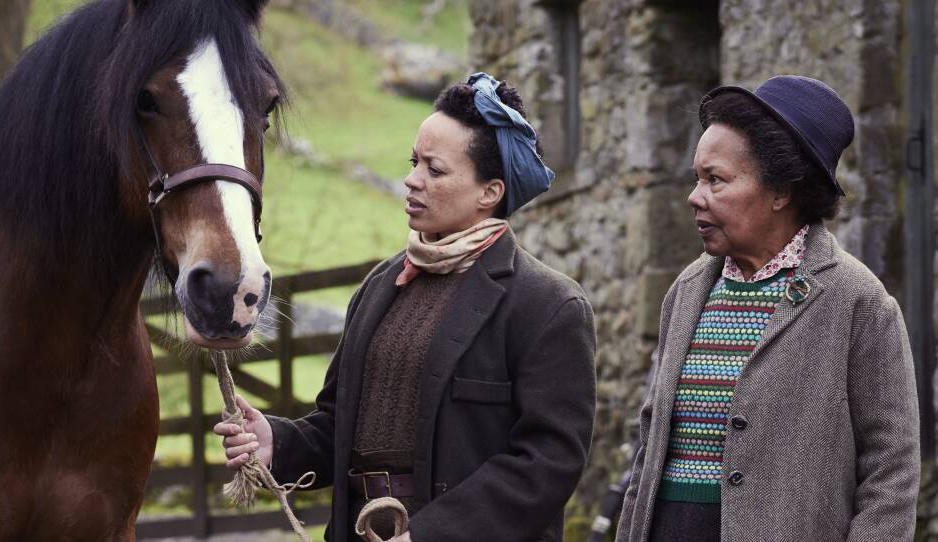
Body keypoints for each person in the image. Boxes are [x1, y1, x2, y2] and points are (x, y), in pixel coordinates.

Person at [214, 72, 596, 542]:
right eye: (414, 162)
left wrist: (432, 534)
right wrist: (280, 440)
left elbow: (548, 463)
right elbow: (340, 424)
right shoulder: (381, 285)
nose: (411, 181)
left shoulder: (548, 305)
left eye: (434, 170)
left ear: (489, 192)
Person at [615, 76, 920, 541]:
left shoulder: (858, 302)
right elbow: (649, 449)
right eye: (697, 178)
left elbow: (891, 473)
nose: (695, 197)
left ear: (781, 191)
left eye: (715, 180)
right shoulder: (688, 289)